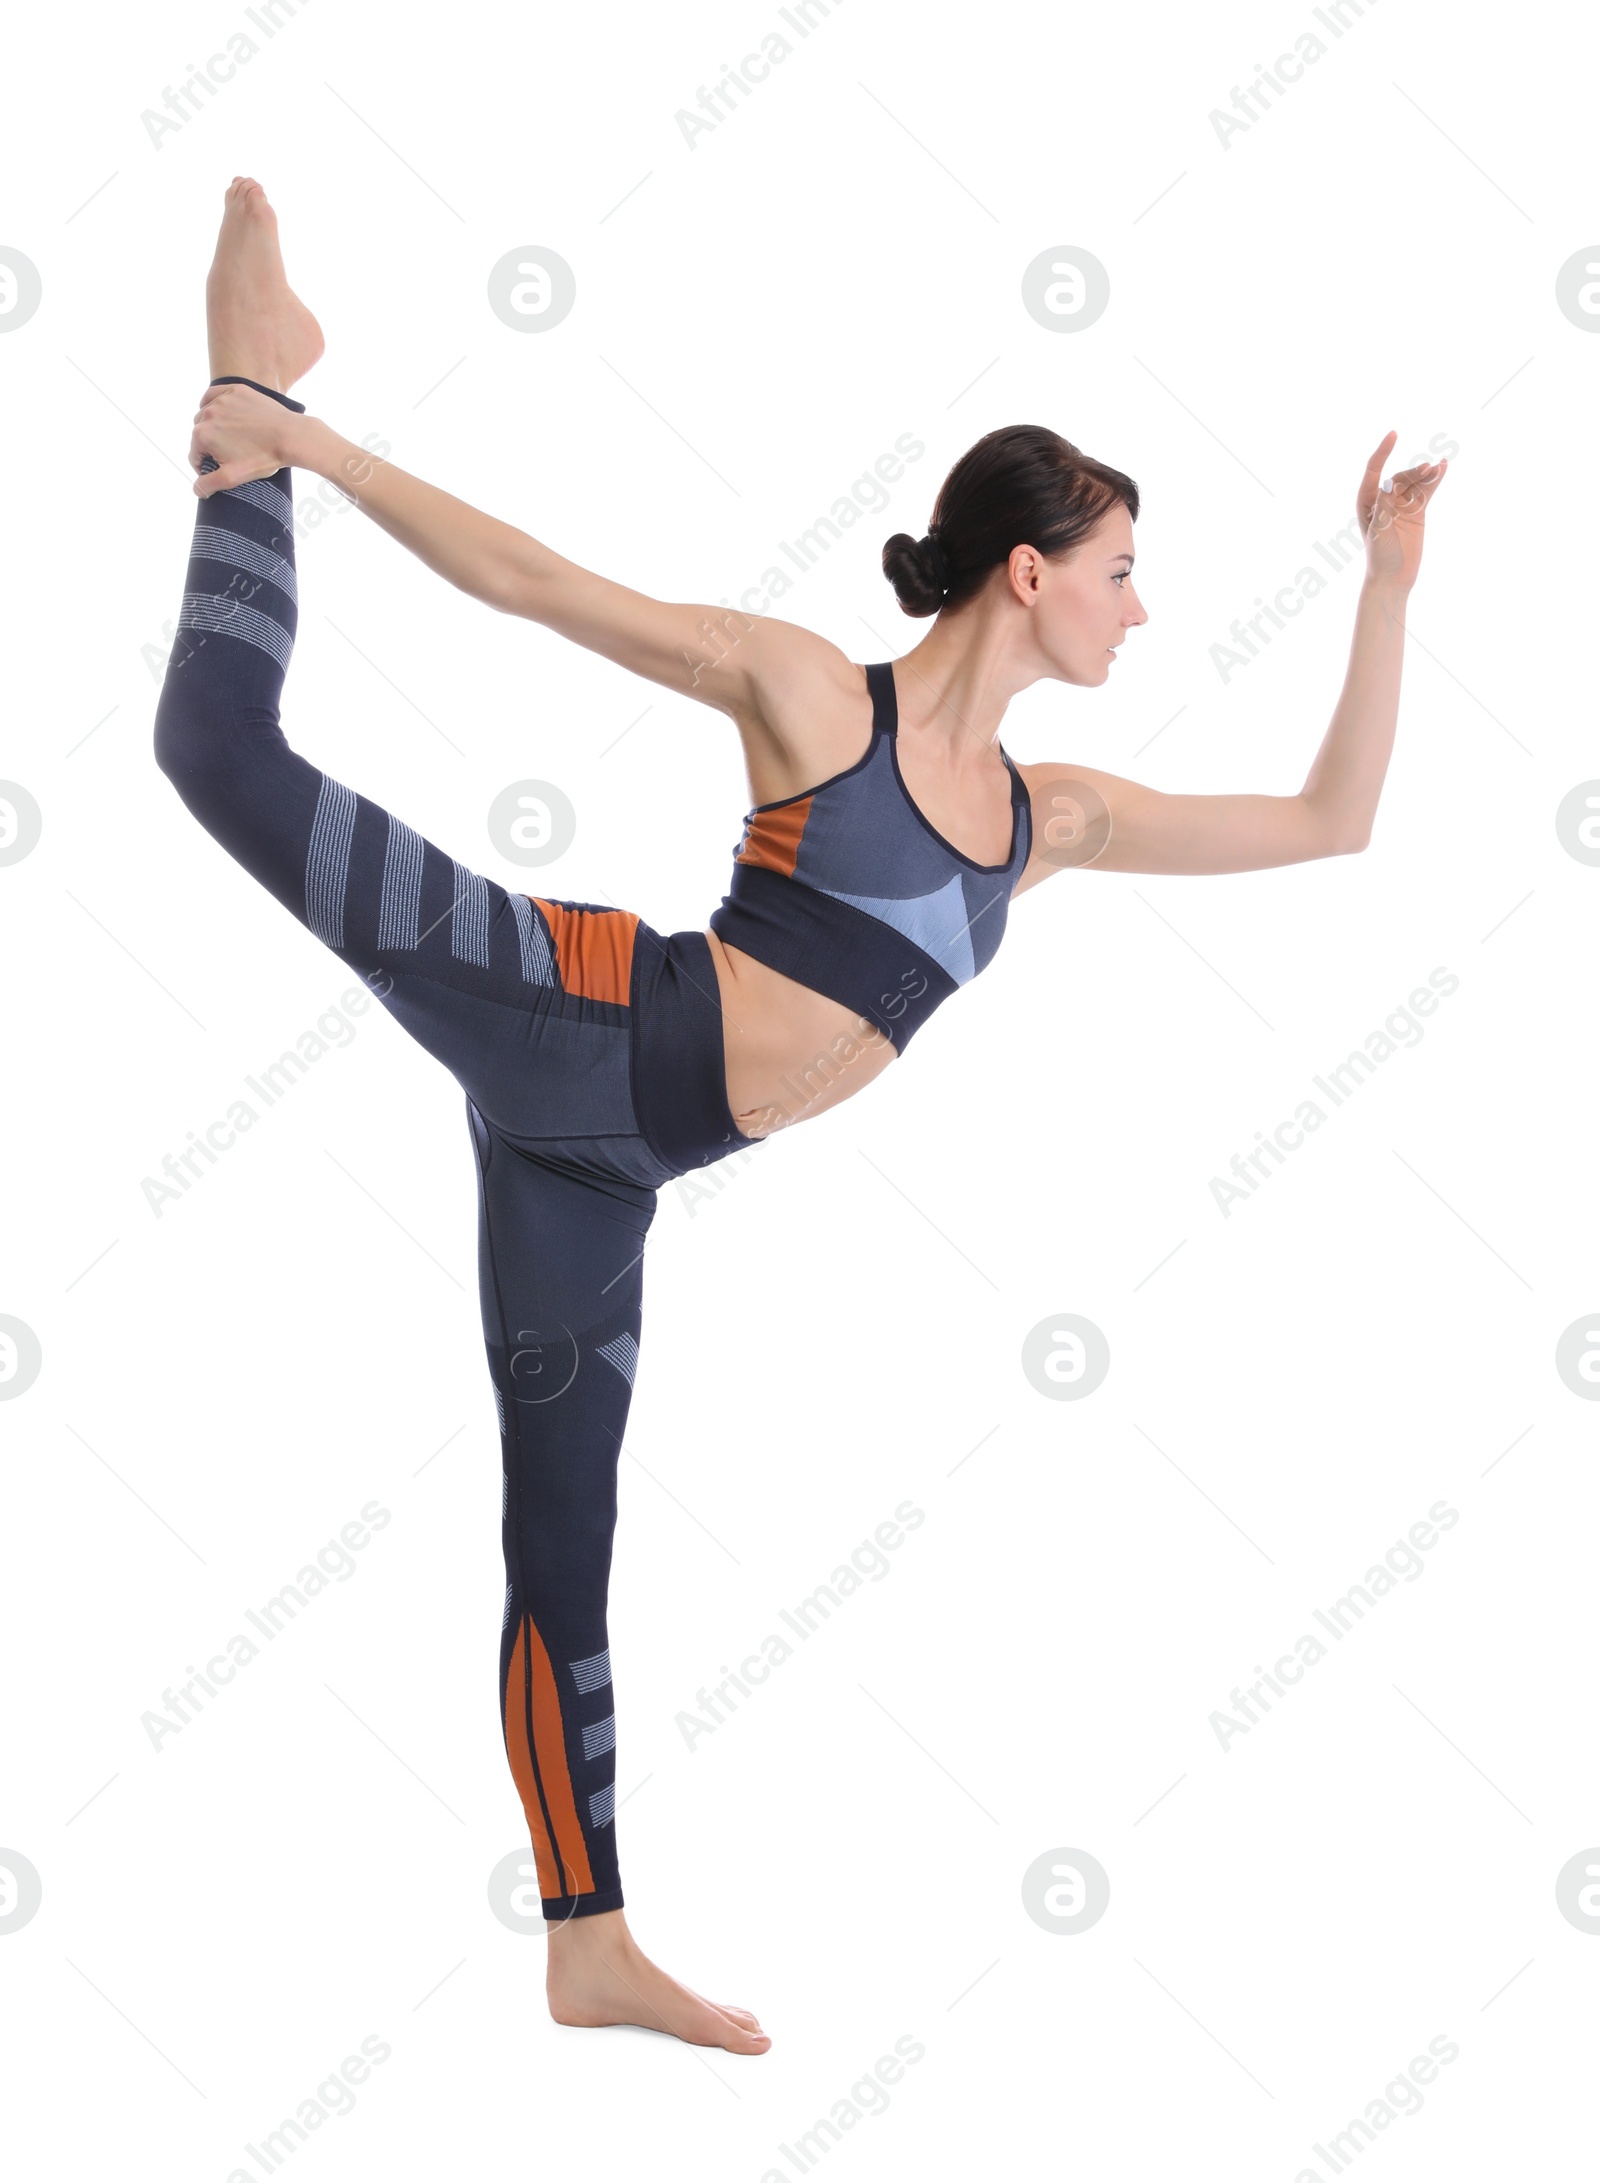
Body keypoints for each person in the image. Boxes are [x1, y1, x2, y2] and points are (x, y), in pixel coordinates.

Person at [154, 177, 1447, 2055]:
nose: (1139, 607)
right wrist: (305, 445)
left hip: (608, 1167)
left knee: (561, 1538)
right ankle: (244, 369)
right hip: (576, 1017)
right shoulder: (804, 699)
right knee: (219, 752)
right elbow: (535, 581)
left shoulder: (1046, 820)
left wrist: (1389, 593)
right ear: (1031, 567)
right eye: (1121, 571)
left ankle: (584, 1939)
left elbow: (1332, 823)